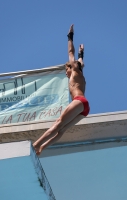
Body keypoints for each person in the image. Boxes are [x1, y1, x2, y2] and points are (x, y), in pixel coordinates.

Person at [33, 24, 90, 155]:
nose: (65, 73)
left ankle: (36, 144)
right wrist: (82, 53)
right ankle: (41, 148)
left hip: (79, 101)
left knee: (59, 122)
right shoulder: (80, 73)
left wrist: (70, 37)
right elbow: (81, 60)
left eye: (66, 70)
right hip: (84, 107)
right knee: (61, 130)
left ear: (71, 67)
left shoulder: (75, 70)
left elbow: (71, 53)